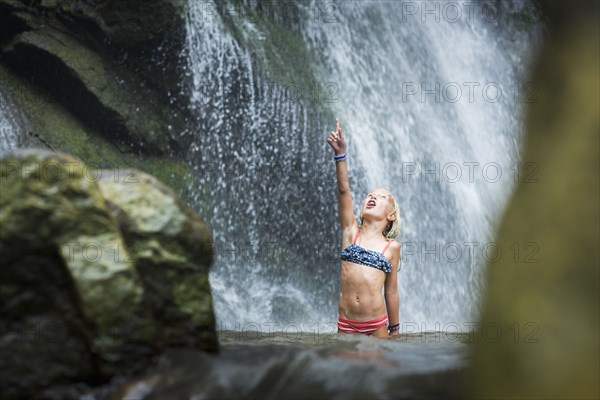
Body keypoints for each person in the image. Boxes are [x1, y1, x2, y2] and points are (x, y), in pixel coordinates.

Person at [327, 118, 401, 338]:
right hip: (346, 321)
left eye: (381, 197)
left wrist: (395, 329)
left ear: (391, 215)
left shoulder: (392, 248)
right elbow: (343, 191)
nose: (373, 197)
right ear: (359, 212)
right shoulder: (351, 232)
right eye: (370, 195)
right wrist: (340, 155)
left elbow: (392, 291)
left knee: (377, 370)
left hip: (376, 323)